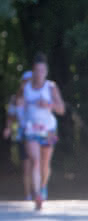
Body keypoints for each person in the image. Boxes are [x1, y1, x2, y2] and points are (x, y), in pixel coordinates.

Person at [10, 55, 67, 209]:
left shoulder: (51, 87)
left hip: (48, 129)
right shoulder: (25, 87)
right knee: (35, 161)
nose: (39, 73)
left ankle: (42, 187)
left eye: (42, 70)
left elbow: (61, 109)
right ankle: (37, 195)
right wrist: (19, 105)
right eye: (36, 70)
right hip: (31, 128)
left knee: (44, 163)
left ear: (46, 72)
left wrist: (49, 104)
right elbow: (16, 103)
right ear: (33, 72)